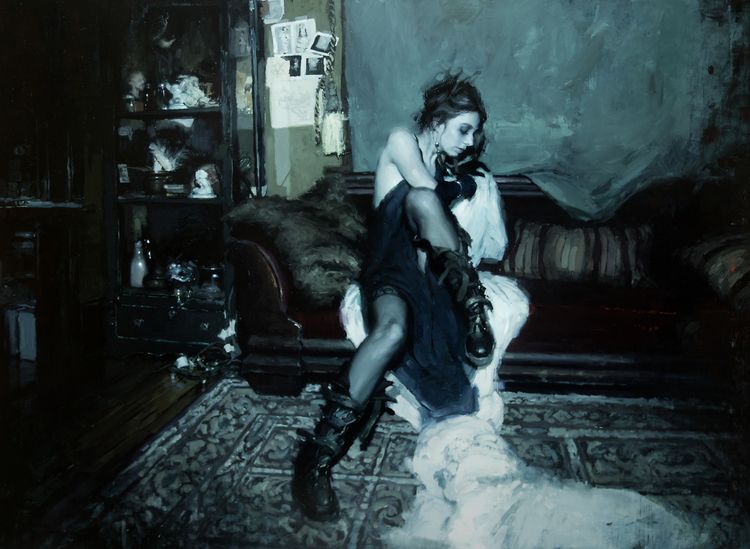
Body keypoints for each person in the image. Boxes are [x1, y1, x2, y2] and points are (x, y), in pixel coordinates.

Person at [292, 74, 498, 521]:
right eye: (464, 129)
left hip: (431, 281)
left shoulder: (442, 168)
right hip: (389, 273)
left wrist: (461, 186)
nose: (470, 141)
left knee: (426, 205)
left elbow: (445, 231)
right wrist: (459, 186)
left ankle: (473, 306)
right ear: (437, 122)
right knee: (390, 331)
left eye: (475, 134)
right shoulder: (402, 141)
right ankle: (314, 460)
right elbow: (425, 189)